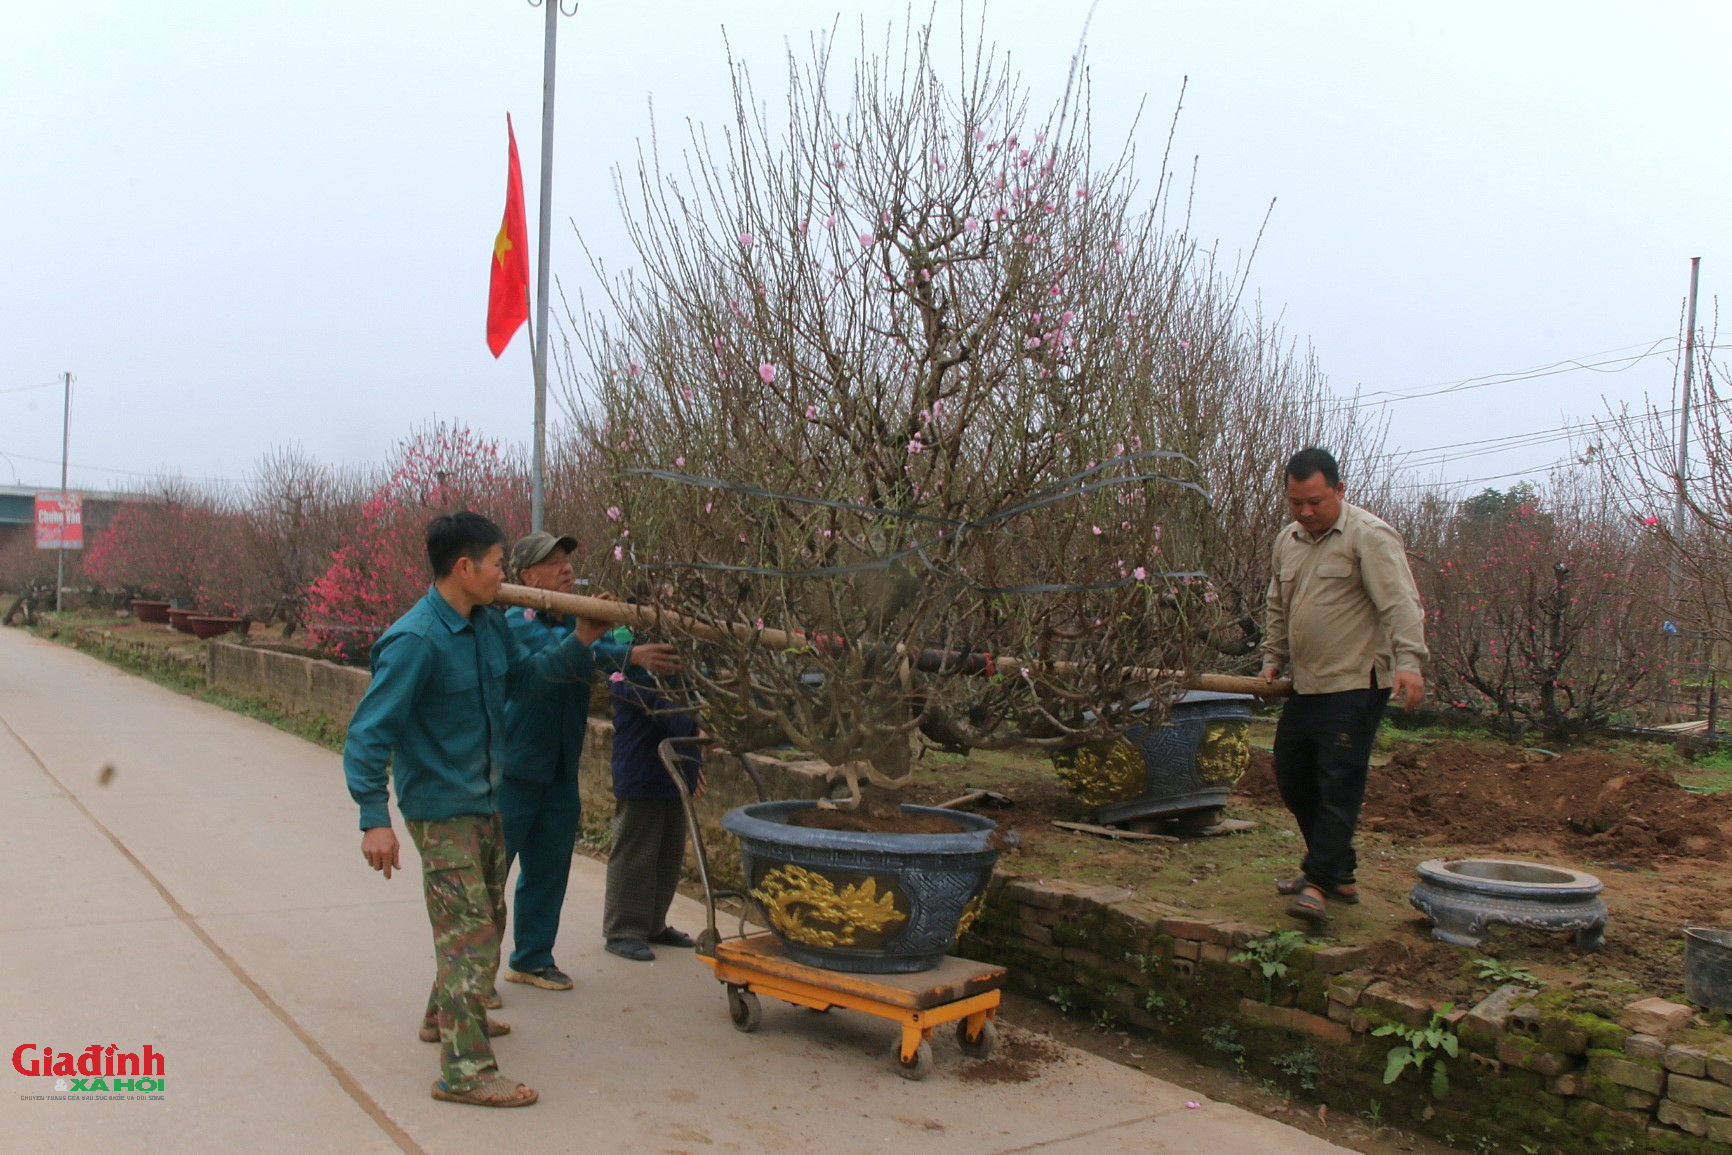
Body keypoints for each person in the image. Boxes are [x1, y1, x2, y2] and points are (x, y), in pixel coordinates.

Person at [343, 511, 609, 1109]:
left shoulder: (489, 624)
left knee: (485, 916)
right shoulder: (415, 642)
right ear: (465, 568)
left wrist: (583, 638)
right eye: (495, 563)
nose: (502, 574)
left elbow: (528, 681)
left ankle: (444, 1015)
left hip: (487, 795)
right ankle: (463, 1071)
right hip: (440, 807)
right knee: (469, 933)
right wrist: (374, 818)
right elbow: (367, 736)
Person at [498, 532, 680, 991]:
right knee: (489, 872)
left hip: (559, 768)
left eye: (566, 560)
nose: (566, 569)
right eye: (553, 562)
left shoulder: (567, 623)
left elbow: (589, 652)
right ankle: (472, 976)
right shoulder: (513, 624)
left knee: (549, 867)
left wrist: (629, 651)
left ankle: (532, 959)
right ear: (527, 577)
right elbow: (553, 662)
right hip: (514, 769)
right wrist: (597, 642)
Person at [1258, 448, 1427, 923]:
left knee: (1338, 783)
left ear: (1338, 491)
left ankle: (1318, 882)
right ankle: (1340, 874)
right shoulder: (1287, 541)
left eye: (1315, 501)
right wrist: (1273, 657)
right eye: (1296, 503)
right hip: (1307, 684)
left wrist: (1410, 662)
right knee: (1293, 777)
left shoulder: (1368, 536)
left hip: (1356, 682)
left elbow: (1400, 604)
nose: (1306, 512)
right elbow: (1278, 603)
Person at [601, 628, 704, 962]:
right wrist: (698, 731)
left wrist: (694, 759)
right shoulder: (623, 665)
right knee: (636, 851)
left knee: (668, 851)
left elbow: (688, 701)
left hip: (675, 770)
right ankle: (623, 929)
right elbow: (658, 706)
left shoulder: (680, 662)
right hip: (642, 768)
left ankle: (653, 922)